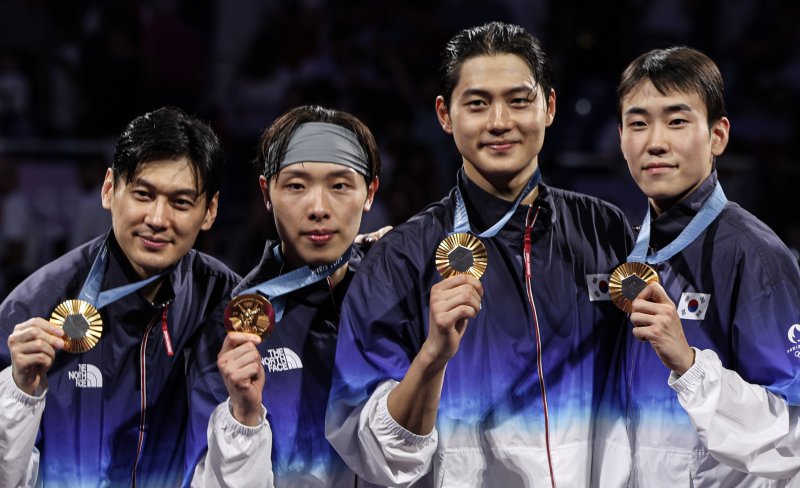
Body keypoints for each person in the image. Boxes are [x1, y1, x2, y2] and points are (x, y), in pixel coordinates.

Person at [325, 21, 633, 487]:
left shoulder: (606, 232)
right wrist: (432, 357)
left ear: (549, 107)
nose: (499, 122)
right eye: (477, 103)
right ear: (445, 116)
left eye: (518, 100)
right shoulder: (400, 259)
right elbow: (374, 456)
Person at [0, 106, 240, 487]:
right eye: (143, 194)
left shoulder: (226, 304)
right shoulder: (33, 308)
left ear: (209, 211)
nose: (158, 218)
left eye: (181, 202)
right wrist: (18, 392)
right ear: (109, 189)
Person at [602, 46, 800, 486]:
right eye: (638, 123)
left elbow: (792, 437)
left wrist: (690, 366)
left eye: (676, 121)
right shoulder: (623, 255)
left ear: (718, 136)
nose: (655, 142)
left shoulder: (755, 256)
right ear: (620, 137)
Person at [191, 105, 382, 487]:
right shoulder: (231, 325)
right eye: (296, 185)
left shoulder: (396, 298)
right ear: (266, 192)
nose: (318, 209)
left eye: (340, 185)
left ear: (370, 192)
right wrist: (243, 416)